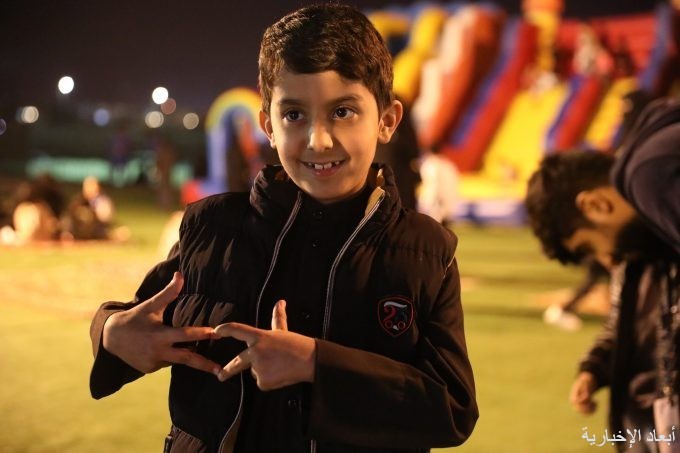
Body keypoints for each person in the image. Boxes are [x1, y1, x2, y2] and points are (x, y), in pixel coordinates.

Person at [89, 5, 478, 453]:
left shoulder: (427, 253)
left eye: (343, 111)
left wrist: (317, 365)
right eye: (294, 115)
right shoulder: (211, 228)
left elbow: (452, 408)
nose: (318, 140)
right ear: (267, 126)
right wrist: (111, 331)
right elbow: (135, 319)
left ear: (386, 120)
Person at [524, 97, 680, 452]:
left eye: (589, 247)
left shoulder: (649, 176)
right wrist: (597, 366)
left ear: (594, 204)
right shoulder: (653, 171)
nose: (607, 260)